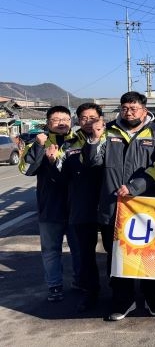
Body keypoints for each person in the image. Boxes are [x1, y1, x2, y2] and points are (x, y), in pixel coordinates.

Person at [83, 91, 155, 321]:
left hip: (146, 208)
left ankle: (154, 299)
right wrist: (94, 139)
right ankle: (123, 302)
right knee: (117, 259)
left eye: (134, 108)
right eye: (125, 108)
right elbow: (93, 163)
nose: (129, 112)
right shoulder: (108, 130)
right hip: (113, 207)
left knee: (150, 257)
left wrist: (136, 186)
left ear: (144, 110)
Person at [19, 106, 80, 303]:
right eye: (56, 119)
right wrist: (38, 146)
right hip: (50, 206)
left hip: (76, 206)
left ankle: (80, 281)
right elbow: (26, 169)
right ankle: (54, 286)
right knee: (51, 250)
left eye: (65, 118)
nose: (62, 122)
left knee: (79, 249)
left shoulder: (80, 140)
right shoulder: (38, 142)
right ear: (47, 123)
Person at [57, 103, 106, 312]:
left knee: (115, 253)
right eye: (84, 118)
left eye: (93, 117)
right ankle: (90, 292)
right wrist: (53, 161)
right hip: (81, 206)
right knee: (85, 255)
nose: (88, 122)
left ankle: (120, 291)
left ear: (101, 118)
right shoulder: (69, 145)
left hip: (109, 204)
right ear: (78, 120)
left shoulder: (114, 140)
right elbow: (61, 176)